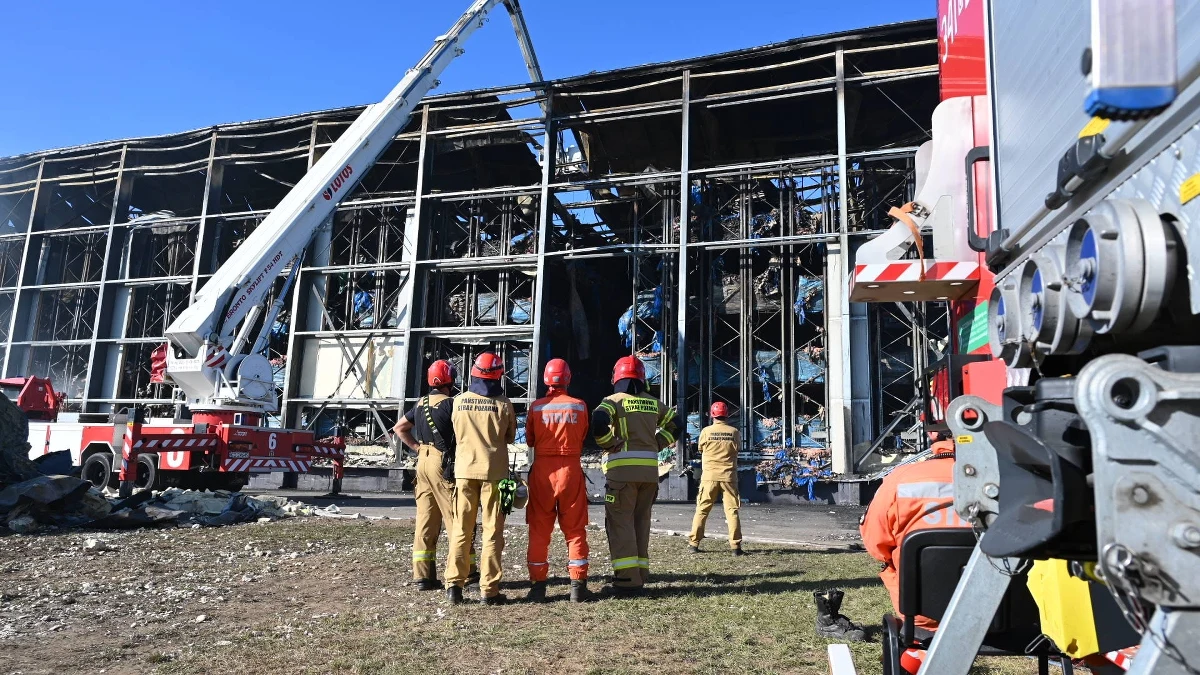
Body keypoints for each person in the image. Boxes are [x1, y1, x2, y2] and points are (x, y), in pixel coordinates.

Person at [591, 355, 682, 595]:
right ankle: (641, 573)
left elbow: (598, 421)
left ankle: (627, 581)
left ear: (616, 377)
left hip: (621, 474)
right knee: (641, 523)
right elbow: (677, 423)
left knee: (620, 524)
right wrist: (658, 443)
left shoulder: (613, 401)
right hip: (650, 475)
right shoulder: (653, 402)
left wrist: (609, 443)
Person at [860, 431, 968, 634]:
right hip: (1002, 611)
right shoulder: (1014, 479)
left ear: (932, 433)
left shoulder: (900, 479)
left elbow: (875, 545)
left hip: (923, 613)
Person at [393, 360, 474, 590]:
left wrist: (418, 447)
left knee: (426, 521)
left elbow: (399, 428)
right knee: (456, 519)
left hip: (423, 463)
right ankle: (467, 573)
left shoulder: (420, 403)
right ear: (451, 380)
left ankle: (423, 577)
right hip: (442, 464)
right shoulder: (452, 404)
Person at [445, 352, 518, 606]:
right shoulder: (503, 403)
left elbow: (454, 431)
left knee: (461, 530)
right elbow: (510, 436)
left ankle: (454, 586)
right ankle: (489, 590)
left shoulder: (458, 401)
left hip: (464, 473)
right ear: (499, 374)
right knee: (493, 532)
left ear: (474, 372)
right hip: (495, 475)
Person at [524, 358, 594, 603]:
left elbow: (530, 440)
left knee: (539, 530)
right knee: (575, 530)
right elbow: (583, 435)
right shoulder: (579, 406)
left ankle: (537, 587)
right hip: (571, 470)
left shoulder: (535, 407)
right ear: (568, 378)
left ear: (545, 378)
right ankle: (577, 585)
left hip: (543, 471)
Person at [688, 402, 744, 556]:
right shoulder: (734, 432)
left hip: (709, 477)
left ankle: (694, 544)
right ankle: (735, 547)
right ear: (727, 414)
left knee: (702, 510)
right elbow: (738, 448)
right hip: (729, 477)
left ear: (712, 415)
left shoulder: (706, 432)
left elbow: (700, 448)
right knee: (732, 511)